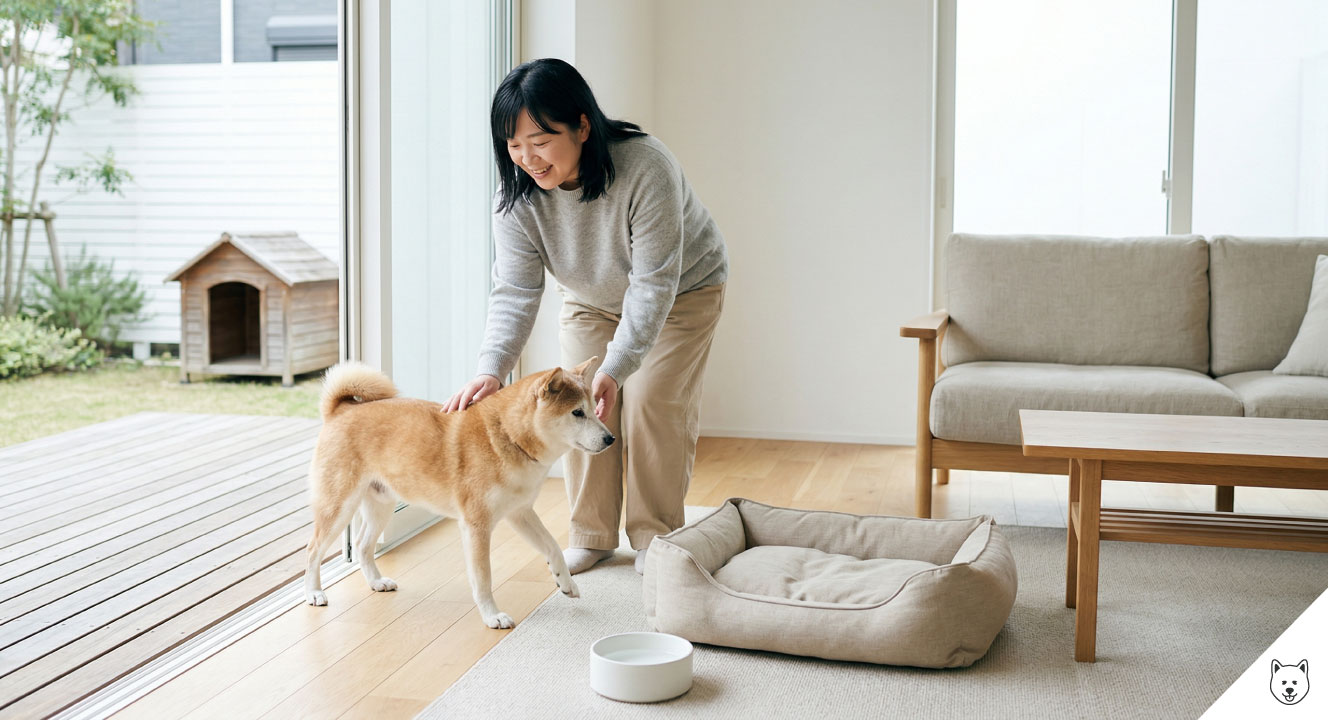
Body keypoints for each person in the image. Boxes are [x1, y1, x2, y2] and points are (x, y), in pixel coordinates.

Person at [443, 58, 728, 576]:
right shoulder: (515, 198)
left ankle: (656, 537)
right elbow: (515, 290)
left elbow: (654, 283)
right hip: (589, 299)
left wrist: (617, 367)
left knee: (653, 402)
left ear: (581, 126)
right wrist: (492, 369)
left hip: (682, 292)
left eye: (540, 140)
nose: (527, 158)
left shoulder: (645, 167)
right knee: (576, 406)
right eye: (513, 145)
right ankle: (592, 535)